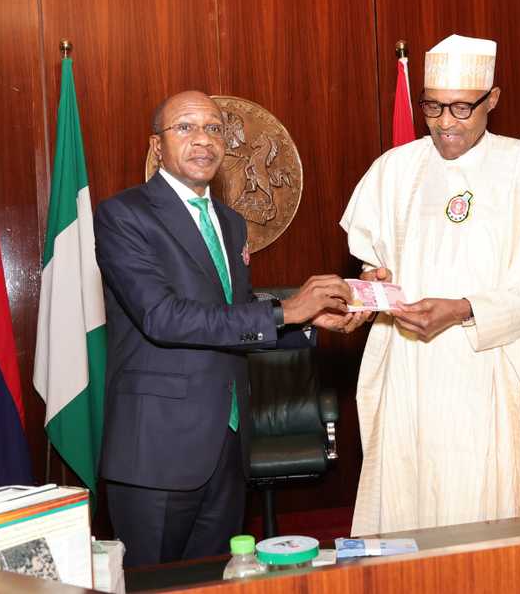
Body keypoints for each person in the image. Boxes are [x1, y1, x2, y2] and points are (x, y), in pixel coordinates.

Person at [339, 34, 520, 535]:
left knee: (495, 527)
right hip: (414, 376)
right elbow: (375, 268)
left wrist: (466, 308)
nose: (445, 122)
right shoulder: (394, 171)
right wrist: (372, 284)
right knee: (415, 513)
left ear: (494, 100)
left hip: (498, 372)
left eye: (462, 108)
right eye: (433, 107)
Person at [94, 90, 353, 566]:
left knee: (217, 578)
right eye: (185, 128)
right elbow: (163, 317)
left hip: (230, 443)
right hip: (158, 449)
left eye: (214, 129)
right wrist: (287, 311)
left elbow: (230, 321)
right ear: (157, 146)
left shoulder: (231, 223)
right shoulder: (122, 215)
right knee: (158, 584)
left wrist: (311, 324)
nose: (203, 141)